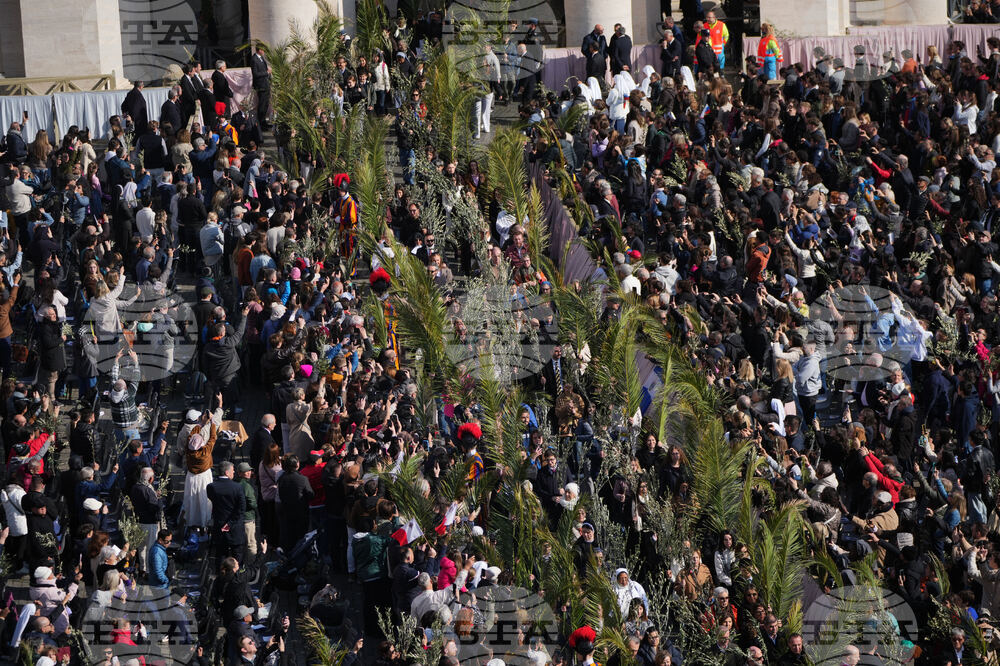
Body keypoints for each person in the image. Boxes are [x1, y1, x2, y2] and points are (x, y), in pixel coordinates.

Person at [250, 44, 272, 128]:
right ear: (259, 50)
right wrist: (266, 73)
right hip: (260, 85)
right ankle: (260, 123)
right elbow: (255, 73)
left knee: (266, 103)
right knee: (262, 104)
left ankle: (263, 122)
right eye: (263, 50)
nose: (264, 52)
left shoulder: (261, 58)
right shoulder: (254, 60)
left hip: (265, 84)